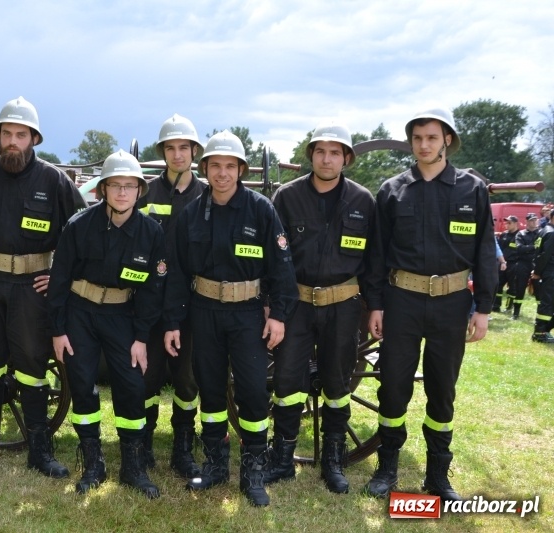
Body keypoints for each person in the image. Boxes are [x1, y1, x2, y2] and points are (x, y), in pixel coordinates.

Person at [364, 107, 496, 502]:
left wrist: (484, 308)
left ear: (447, 141)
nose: (424, 145)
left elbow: (485, 252)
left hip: (452, 304)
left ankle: (437, 475)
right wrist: (375, 305)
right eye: (417, 138)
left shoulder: (472, 189)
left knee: (442, 390)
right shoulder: (392, 190)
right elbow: (377, 254)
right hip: (401, 301)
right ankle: (387, 467)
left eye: (432, 137)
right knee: (393, 388)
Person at [163, 130, 298, 507]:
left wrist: (279, 315)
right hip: (204, 311)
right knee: (210, 389)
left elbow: (282, 267)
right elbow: (176, 273)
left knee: (253, 392)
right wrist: (172, 322)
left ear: (241, 170)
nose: (222, 173)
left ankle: (253, 471)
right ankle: (216, 465)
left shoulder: (261, 210)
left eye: (230, 166)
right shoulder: (191, 214)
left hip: (247, 313)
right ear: (205, 168)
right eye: (215, 166)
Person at [0, 96, 85, 477]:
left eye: (21, 135)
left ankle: (39, 450)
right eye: (7, 134)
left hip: (33, 286)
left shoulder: (54, 181)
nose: (13, 141)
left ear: (34, 139)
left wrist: (60, 274)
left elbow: (83, 232)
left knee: (32, 364)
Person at [49, 150, 166, 498]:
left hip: (122, 316)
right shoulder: (78, 226)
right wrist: (58, 330)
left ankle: (133, 467)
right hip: (79, 313)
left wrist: (141, 337)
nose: (122, 192)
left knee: (132, 386)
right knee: (82, 385)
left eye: (129, 185)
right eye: (115, 185)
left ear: (139, 190)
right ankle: (93, 463)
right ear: (103, 189)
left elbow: (152, 291)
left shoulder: (151, 233)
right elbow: (59, 281)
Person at [269, 122, 376, 494]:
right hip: (296, 304)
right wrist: (271, 306)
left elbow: (374, 260)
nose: (326, 159)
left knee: (337, 383)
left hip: (343, 305)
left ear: (346, 158)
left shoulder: (363, 200)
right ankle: (282, 459)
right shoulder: (286, 197)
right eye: (320, 151)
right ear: (311, 156)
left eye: (334, 153)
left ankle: (333, 460)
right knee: (287, 382)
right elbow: (273, 257)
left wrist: (375, 306)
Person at [135, 114, 206, 478]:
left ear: (194, 152)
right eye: (171, 148)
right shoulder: (145, 193)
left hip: (192, 300)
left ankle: (183, 446)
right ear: (162, 152)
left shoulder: (207, 195)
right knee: (147, 376)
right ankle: (144, 442)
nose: (178, 155)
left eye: (184, 148)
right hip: (150, 298)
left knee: (187, 377)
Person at [531, 209, 554, 342]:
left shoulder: (544, 230)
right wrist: (537, 272)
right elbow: (544, 255)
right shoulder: (551, 233)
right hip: (550, 272)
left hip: (547, 271)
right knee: (547, 303)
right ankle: (540, 332)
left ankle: (545, 330)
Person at [513, 213, 539, 320]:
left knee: (539, 289)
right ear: (527, 221)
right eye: (532, 220)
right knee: (520, 288)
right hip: (523, 264)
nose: (534, 222)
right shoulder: (521, 234)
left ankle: (540, 314)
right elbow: (519, 248)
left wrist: (527, 248)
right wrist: (534, 247)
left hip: (537, 264)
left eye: (535, 220)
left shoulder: (541, 233)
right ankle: (516, 313)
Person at [493, 217, 517, 313]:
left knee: (512, 286)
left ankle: (508, 307)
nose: (507, 225)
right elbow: (498, 248)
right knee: (498, 285)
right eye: (506, 223)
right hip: (502, 263)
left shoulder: (520, 235)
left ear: (515, 223)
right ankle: (496, 306)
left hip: (513, 264)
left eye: (509, 223)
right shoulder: (504, 234)